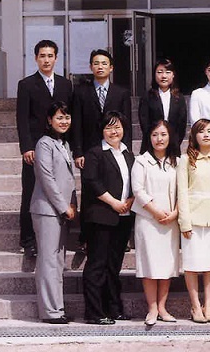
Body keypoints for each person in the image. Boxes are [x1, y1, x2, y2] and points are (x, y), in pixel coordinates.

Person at [16, 40, 72, 257]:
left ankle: (60, 235)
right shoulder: (26, 84)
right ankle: (28, 240)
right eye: (42, 56)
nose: (46, 60)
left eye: (50, 56)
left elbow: (68, 116)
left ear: (56, 58)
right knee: (31, 191)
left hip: (59, 146)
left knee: (59, 189)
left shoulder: (65, 84)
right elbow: (22, 119)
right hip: (35, 149)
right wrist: (26, 147)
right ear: (36, 58)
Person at [72, 49, 131, 252]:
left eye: (104, 63)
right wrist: (78, 151)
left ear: (111, 68)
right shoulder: (81, 92)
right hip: (90, 151)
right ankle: (85, 237)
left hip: (115, 149)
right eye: (96, 63)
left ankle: (120, 234)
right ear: (90, 67)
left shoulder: (121, 93)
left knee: (117, 188)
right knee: (90, 193)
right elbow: (77, 123)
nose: (100, 67)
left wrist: (126, 151)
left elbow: (126, 124)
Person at [81, 111, 135, 325]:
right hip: (101, 216)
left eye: (118, 127)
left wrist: (130, 200)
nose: (114, 131)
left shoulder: (128, 153)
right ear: (102, 131)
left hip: (124, 217)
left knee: (114, 265)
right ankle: (94, 312)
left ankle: (114, 309)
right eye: (109, 127)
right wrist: (114, 203)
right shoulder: (95, 153)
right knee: (97, 264)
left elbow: (134, 182)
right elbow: (92, 182)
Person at [177, 119, 210, 324]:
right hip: (193, 218)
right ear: (194, 136)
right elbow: (182, 191)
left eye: (209, 131)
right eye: (201, 131)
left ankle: (209, 306)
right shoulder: (186, 160)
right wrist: (184, 222)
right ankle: (195, 306)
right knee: (191, 265)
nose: (206, 135)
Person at [30, 101, 77, 324]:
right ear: (49, 120)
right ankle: (50, 311)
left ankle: (58, 308)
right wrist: (63, 206)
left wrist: (72, 205)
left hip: (61, 211)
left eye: (67, 117)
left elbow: (68, 179)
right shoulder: (44, 144)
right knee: (48, 261)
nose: (64, 121)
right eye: (59, 117)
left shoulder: (64, 144)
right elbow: (46, 179)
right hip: (47, 210)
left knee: (57, 262)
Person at [131, 120, 180, 326]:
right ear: (149, 138)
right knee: (149, 263)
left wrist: (175, 213)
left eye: (163, 134)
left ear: (170, 137)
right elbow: (138, 190)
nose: (159, 139)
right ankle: (152, 308)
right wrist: (156, 211)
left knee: (167, 265)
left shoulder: (178, 162)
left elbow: (183, 190)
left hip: (170, 221)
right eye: (154, 135)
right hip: (148, 220)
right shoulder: (141, 161)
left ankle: (162, 307)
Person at [139, 58, 187, 155]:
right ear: (154, 75)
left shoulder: (179, 98)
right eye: (159, 72)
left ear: (173, 75)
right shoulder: (147, 97)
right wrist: (155, 140)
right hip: (151, 146)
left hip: (173, 147)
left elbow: (182, 125)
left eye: (168, 72)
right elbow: (144, 123)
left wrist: (174, 142)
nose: (164, 76)